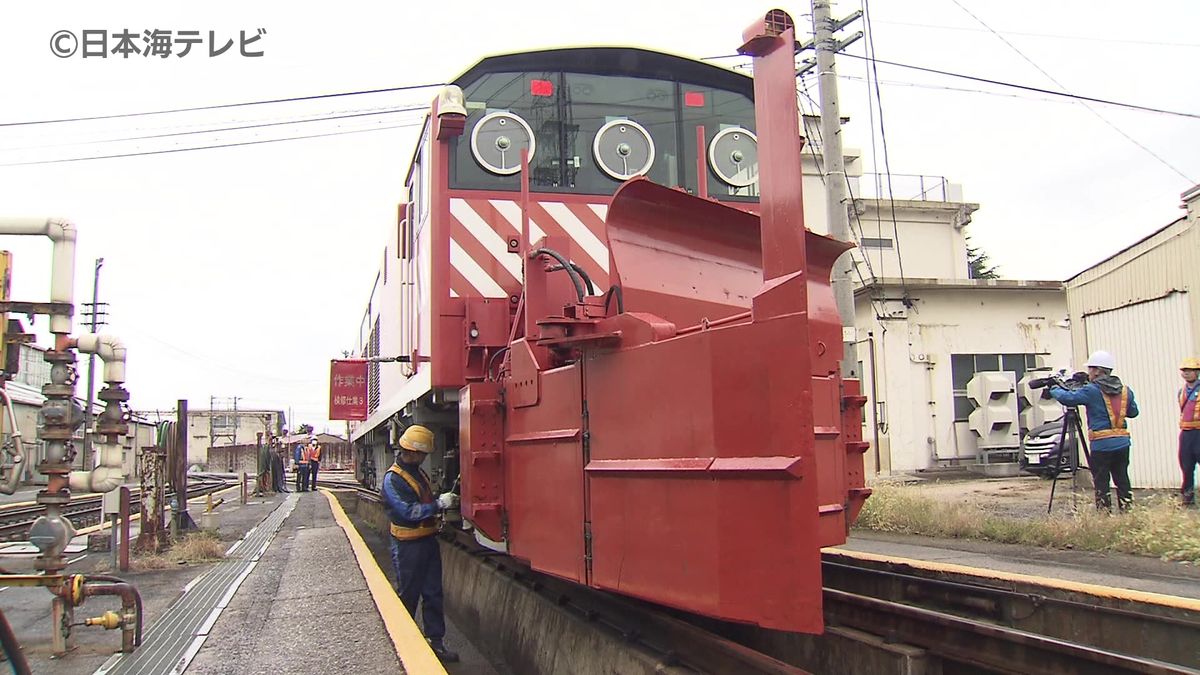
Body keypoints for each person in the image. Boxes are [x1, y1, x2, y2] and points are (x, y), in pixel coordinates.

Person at [380, 425, 460, 663]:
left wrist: (439, 504)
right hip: (408, 548)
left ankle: (435, 642)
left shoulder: (418, 473)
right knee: (408, 594)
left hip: (426, 542)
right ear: (412, 452)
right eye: (422, 454)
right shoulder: (393, 479)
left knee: (433, 593)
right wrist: (438, 505)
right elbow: (409, 511)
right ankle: (402, 645)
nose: (424, 458)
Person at [1049, 350, 1140, 511]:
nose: (1089, 372)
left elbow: (1069, 398)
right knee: (1122, 479)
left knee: (1101, 481)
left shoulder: (1091, 390)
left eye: (1091, 369)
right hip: (1122, 444)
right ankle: (1128, 512)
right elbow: (1133, 412)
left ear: (1098, 370)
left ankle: (1104, 514)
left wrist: (1053, 389)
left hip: (1101, 445)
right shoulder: (1125, 390)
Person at [1179, 357, 1200, 505]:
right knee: (1186, 466)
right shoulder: (1181, 391)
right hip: (1186, 434)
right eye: (1184, 371)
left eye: (1189, 370)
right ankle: (1187, 498)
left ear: (1197, 372)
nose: (1186, 373)